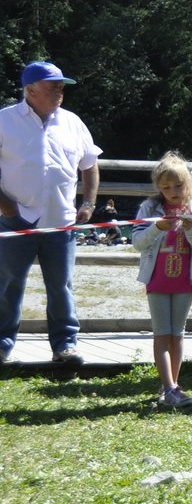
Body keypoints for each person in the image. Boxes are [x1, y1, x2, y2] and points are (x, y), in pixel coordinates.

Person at [0, 62, 101, 365]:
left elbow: (90, 164)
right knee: (7, 285)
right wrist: (6, 206)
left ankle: (65, 347)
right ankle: (2, 346)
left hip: (61, 221)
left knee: (61, 286)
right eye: (52, 85)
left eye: (61, 85)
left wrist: (89, 203)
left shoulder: (72, 122)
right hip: (15, 221)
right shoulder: (4, 121)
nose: (60, 91)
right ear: (30, 90)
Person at [131, 153, 192, 407]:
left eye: (179, 185)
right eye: (166, 187)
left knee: (178, 334)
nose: (173, 191)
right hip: (158, 280)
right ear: (158, 187)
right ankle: (168, 386)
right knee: (162, 334)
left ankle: (173, 384)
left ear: (189, 183)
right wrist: (157, 228)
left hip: (185, 280)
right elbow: (138, 243)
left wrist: (188, 228)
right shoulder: (150, 209)